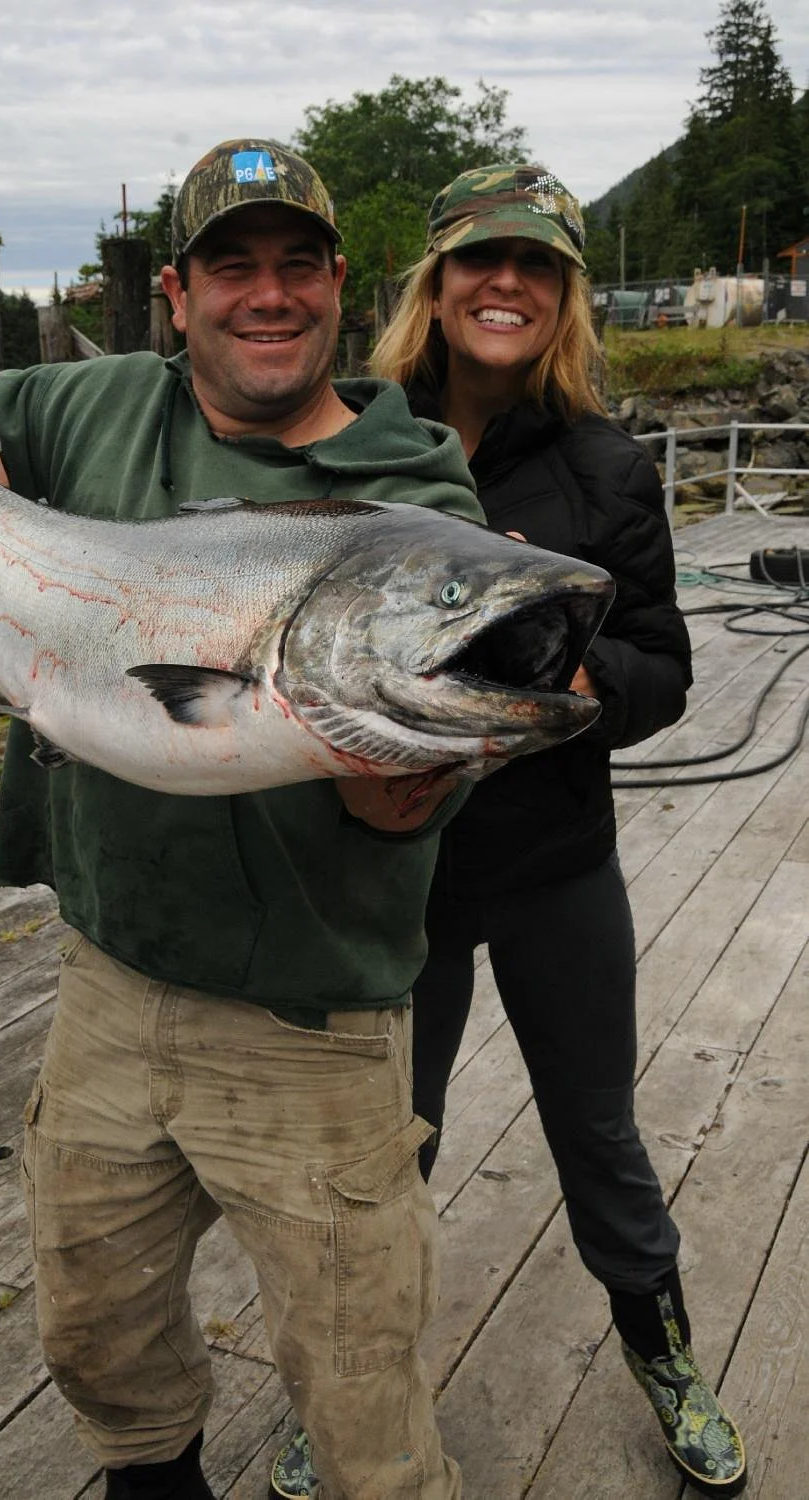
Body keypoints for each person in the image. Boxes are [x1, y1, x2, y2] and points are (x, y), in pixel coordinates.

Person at [0, 141, 486, 1500]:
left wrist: (414, 773)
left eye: (297, 267)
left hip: (313, 1029)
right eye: (231, 268)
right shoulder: (90, 404)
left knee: (366, 1408)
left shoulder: (419, 502)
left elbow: (402, 806)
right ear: (177, 292)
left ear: (340, 286)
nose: (266, 297)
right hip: (102, 984)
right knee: (100, 1343)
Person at [270, 167, 747, 1499]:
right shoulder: (353, 440)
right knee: (384, 1150)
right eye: (484, 260)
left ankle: (662, 1353)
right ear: (436, 280)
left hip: (552, 868)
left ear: (565, 299)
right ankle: (349, 1387)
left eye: (538, 268)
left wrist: (587, 691)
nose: (508, 285)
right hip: (388, 878)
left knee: (598, 1131)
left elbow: (665, 664)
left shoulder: (605, 464)